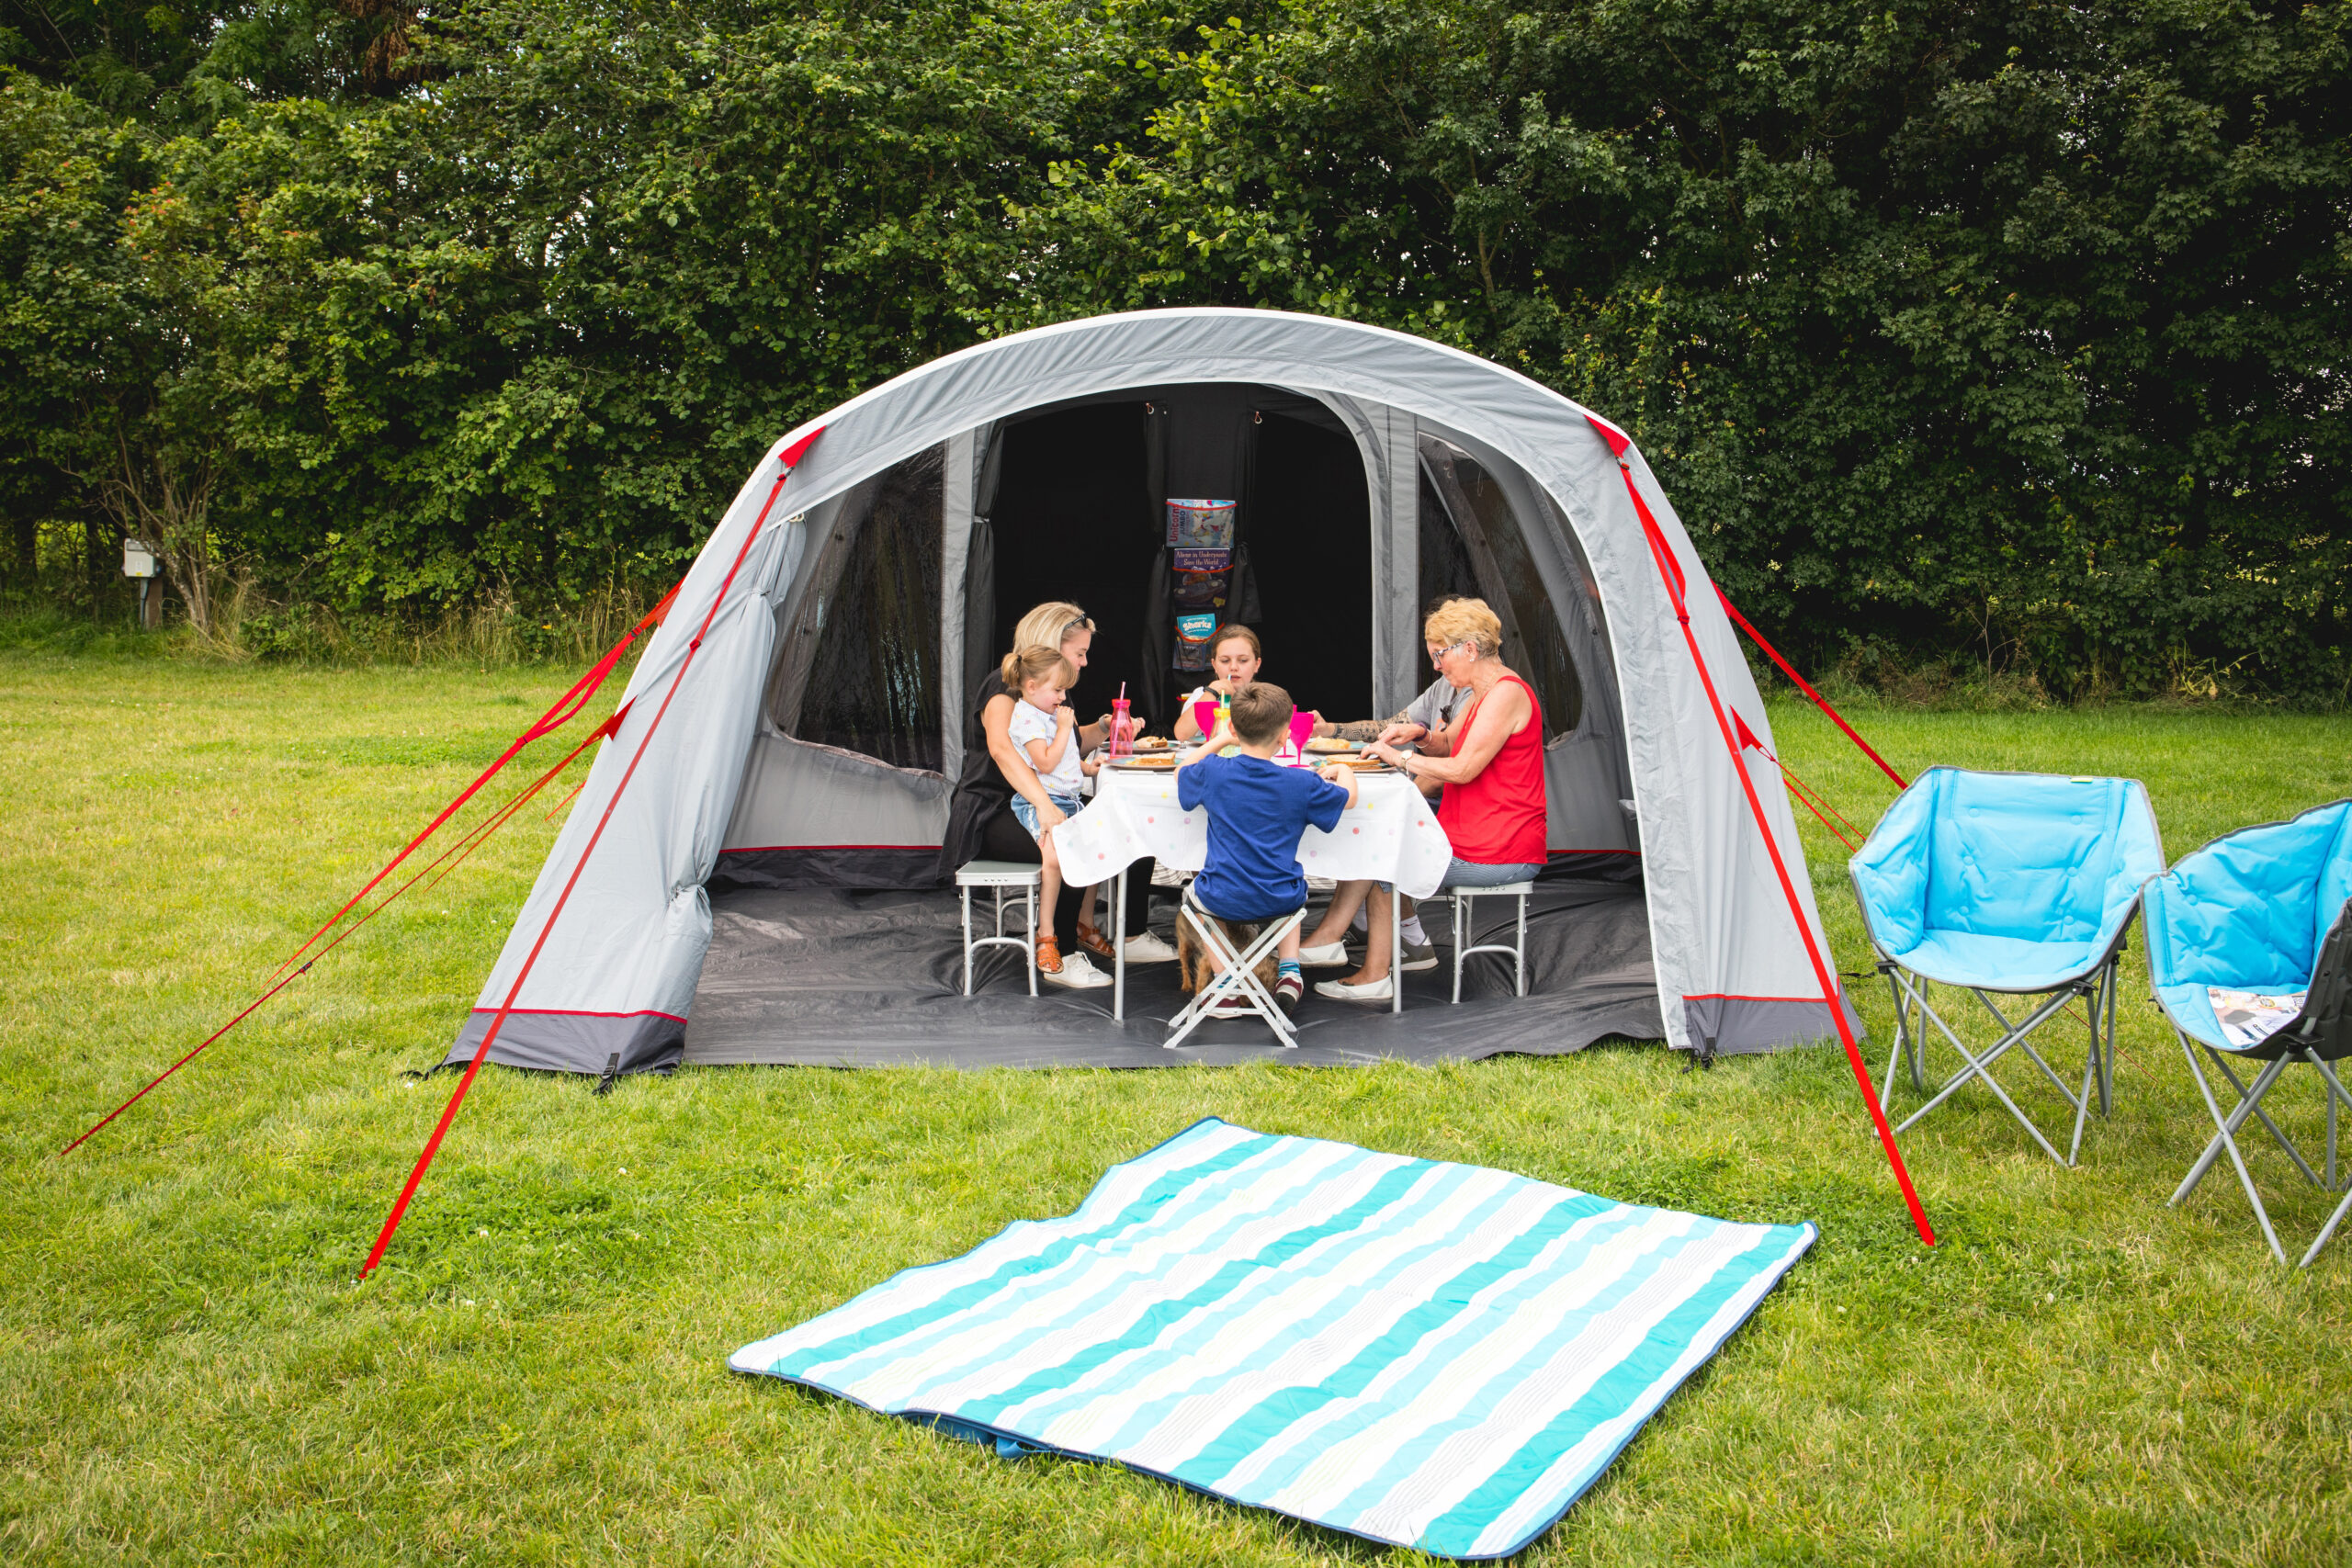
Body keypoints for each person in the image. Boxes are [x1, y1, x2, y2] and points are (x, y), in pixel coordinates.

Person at [1304, 598, 1549, 1002]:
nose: (1436, 665)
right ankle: (1370, 955)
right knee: (1379, 845)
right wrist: (1420, 735)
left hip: (1500, 849)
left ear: (1469, 649)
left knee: (1382, 853)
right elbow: (1451, 744)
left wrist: (1399, 757)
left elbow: (1464, 768)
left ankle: (1370, 971)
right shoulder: (1482, 693)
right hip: (1475, 838)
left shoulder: (1505, 694)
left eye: (1440, 654)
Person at [939, 602, 1171, 985]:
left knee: (1130, 824)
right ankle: (1062, 953)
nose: (1083, 663)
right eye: (1079, 653)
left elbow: (1068, 749)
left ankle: (1128, 934)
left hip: (1041, 800)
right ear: (1051, 644)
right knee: (1071, 840)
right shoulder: (1003, 687)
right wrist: (1044, 806)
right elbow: (1002, 752)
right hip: (994, 810)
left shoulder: (1055, 691)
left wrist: (1104, 726)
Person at [1176, 682, 1357, 1014]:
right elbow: (1348, 799)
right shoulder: (1302, 782)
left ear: (1233, 727)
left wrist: (1220, 739)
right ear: (1284, 735)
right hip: (1281, 898)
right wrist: (1343, 767)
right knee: (1293, 886)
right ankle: (1290, 971)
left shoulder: (1214, 772)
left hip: (1222, 897)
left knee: (1195, 896)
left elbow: (1181, 773)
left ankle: (1224, 985)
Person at [1001, 646, 1101, 979]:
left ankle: (1083, 925)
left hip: (1068, 798)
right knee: (1054, 859)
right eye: (1057, 690)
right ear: (1031, 686)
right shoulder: (1026, 717)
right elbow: (1044, 762)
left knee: (1096, 843)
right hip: (1042, 801)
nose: (1062, 697)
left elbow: (1066, 759)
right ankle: (1046, 935)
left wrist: (1088, 768)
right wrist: (1062, 729)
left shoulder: (1047, 714)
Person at [1170, 624, 1319, 743]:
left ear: (1257, 664)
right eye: (1225, 661)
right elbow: (1181, 735)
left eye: (1243, 660)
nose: (1233, 667)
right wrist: (1212, 692)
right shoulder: (1203, 694)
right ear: (1214, 665)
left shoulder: (1269, 698)